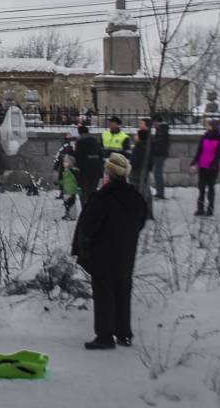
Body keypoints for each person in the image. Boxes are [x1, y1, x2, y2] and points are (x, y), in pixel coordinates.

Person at [72, 152, 148, 350]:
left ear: (109, 174)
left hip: (103, 254)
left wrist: (84, 247)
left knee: (104, 293)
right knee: (123, 290)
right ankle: (124, 333)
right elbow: (140, 222)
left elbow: (88, 226)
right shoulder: (136, 198)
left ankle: (105, 336)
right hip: (126, 254)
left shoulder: (102, 198)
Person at [192, 119, 220, 216]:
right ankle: (200, 208)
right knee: (201, 188)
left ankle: (210, 209)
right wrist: (194, 162)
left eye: (208, 125)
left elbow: (219, 154)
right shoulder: (204, 137)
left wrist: (213, 163)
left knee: (211, 187)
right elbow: (199, 151)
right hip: (202, 165)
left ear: (213, 126)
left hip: (212, 167)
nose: (207, 127)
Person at [73, 124, 103, 207]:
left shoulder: (80, 141)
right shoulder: (95, 141)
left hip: (84, 170)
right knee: (92, 189)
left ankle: (85, 208)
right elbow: (101, 155)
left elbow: (78, 157)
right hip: (96, 169)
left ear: (79, 133)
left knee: (82, 189)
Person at [130, 118, 154, 218]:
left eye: (136, 135)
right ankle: (148, 212)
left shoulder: (137, 147)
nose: (135, 136)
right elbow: (151, 160)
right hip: (145, 171)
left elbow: (134, 162)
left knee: (136, 192)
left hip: (136, 173)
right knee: (146, 191)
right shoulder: (149, 146)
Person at [151, 114, 171, 199]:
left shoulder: (161, 130)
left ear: (156, 121)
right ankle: (159, 192)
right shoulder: (161, 129)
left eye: (153, 122)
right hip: (160, 154)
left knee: (157, 173)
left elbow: (160, 144)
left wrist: (154, 148)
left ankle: (160, 193)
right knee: (157, 173)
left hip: (160, 155)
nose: (153, 124)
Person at [60, 155, 80, 220]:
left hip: (71, 190)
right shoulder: (66, 170)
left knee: (71, 202)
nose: (64, 163)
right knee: (66, 202)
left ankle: (72, 215)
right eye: (64, 162)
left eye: (66, 162)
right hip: (66, 189)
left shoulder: (73, 171)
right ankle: (67, 214)